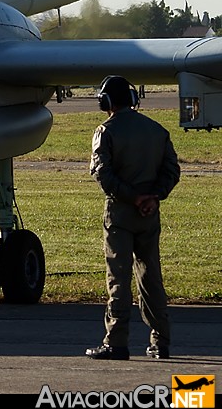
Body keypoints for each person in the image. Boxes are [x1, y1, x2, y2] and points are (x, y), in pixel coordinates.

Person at [85, 75, 181, 361]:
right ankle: (160, 342)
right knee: (151, 277)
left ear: (106, 102)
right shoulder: (157, 130)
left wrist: (132, 197)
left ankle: (116, 342)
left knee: (119, 278)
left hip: (121, 213)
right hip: (149, 215)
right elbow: (172, 170)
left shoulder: (106, 130)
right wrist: (153, 197)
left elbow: (103, 174)